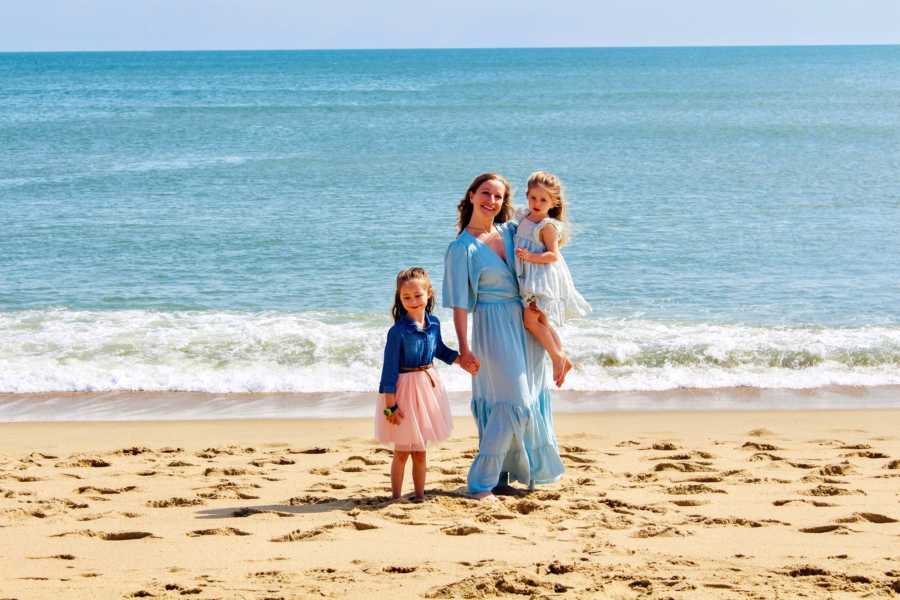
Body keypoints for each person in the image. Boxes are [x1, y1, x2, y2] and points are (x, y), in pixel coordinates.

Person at [443, 173, 565, 501]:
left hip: (525, 325)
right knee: (514, 402)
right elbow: (458, 305)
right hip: (492, 326)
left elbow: (546, 232)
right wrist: (464, 350)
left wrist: (549, 331)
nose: (491, 201)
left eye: (498, 197)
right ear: (471, 196)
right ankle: (480, 484)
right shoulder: (462, 248)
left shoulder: (511, 231)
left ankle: (502, 476)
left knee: (528, 396)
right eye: (485, 194)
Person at [376, 267, 472, 501]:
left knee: (420, 451)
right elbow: (389, 370)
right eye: (406, 297)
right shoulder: (397, 331)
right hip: (403, 393)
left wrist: (461, 360)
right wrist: (390, 406)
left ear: (429, 294)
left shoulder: (435, 323)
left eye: (418, 296)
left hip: (428, 390)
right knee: (402, 451)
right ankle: (396, 497)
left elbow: (439, 350)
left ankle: (419, 496)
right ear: (399, 299)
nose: (412, 301)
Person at [514, 171, 592, 387]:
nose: (536, 203)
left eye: (543, 200)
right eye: (533, 198)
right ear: (527, 195)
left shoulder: (547, 226)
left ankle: (557, 358)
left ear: (553, 202)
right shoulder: (523, 216)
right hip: (527, 276)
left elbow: (553, 255)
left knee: (530, 321)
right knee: (542, 321)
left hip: (539, 279)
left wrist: (530, 256)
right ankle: (562, 357)